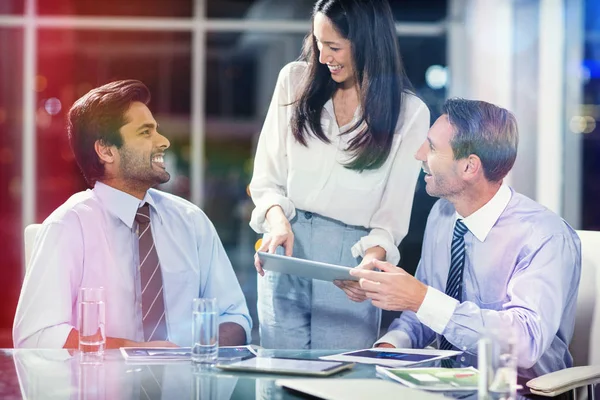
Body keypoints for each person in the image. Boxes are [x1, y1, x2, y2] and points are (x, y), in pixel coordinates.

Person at [343, 98, 581, 379]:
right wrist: (389, 346)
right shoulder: (442, 215)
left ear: (469, 167)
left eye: (431, 147)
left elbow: (525, 342)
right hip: (447, 384)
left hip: (518, 391)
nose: (419, 154)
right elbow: (425, 312)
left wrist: (421, 299)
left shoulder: (544, 236)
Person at [13, 80, 251, 349]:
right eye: (145, 132)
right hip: (101, 389)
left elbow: (236, 318)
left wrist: (188, 352)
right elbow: (36, 336)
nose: (164, 141)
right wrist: (135, 350)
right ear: (106, 150)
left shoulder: (191, 221)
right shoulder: (68, 226)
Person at [248, 0, 430, 349]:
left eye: (334, 47)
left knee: (346, 379)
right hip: (287, 248)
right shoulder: (294, 81)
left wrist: (370, 266)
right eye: (318, 44)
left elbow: (390, 220)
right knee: (276, 380)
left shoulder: (409, 114)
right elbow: (267, 179)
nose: (323, 57)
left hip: (351, 266)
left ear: (368, 44)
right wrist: (277, 223)